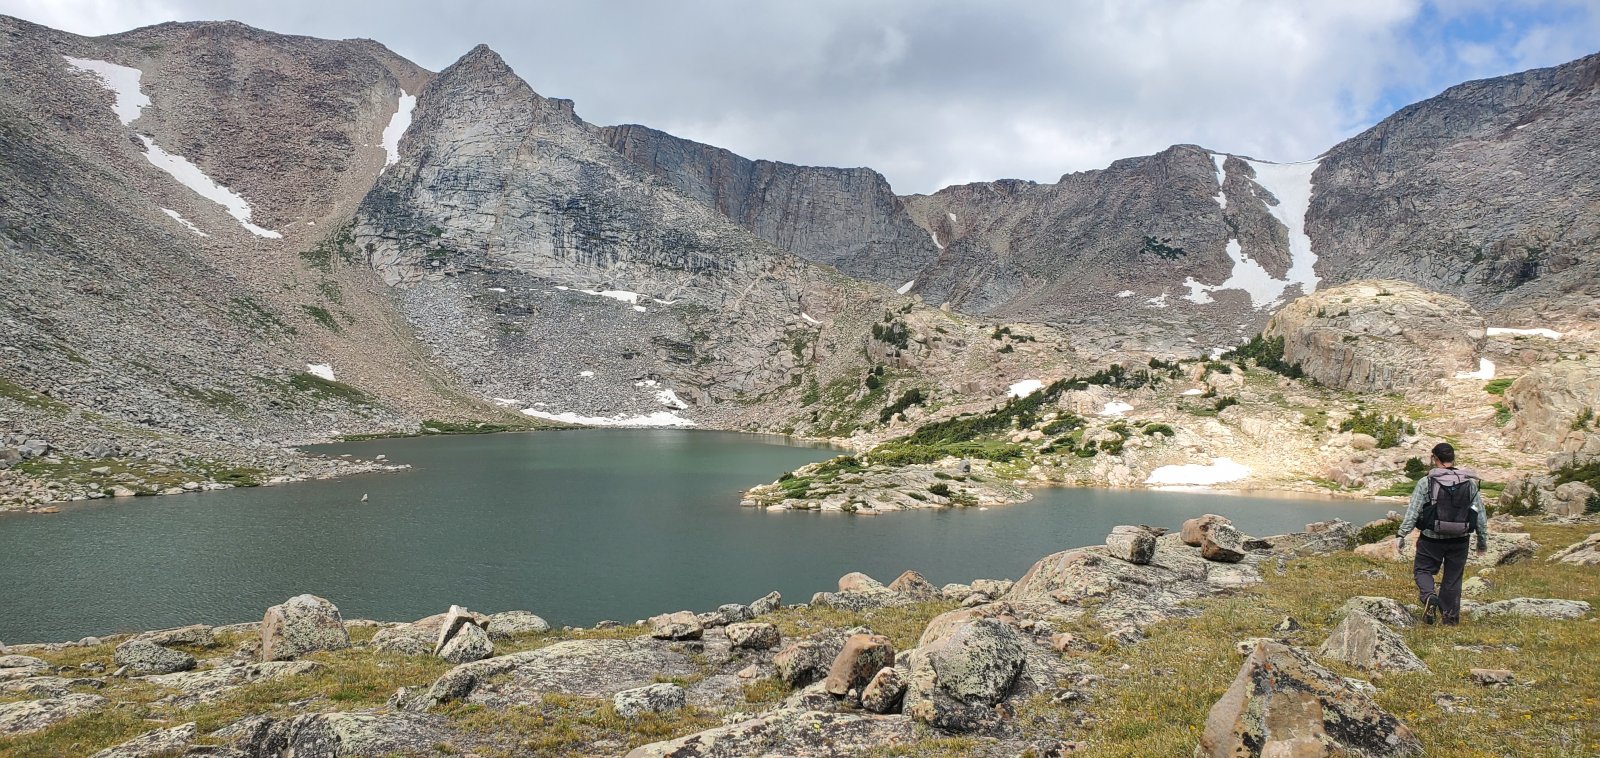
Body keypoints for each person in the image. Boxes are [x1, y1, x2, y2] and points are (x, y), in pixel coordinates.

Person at [1396, 442, 1488, 625]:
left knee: (1423, 570)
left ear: (1434, 459)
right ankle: (1450, 619)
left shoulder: (1427, 482)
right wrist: (1482, 541)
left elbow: (1413, 511)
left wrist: (1401, 534)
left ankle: (1429, 596)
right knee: (1453, 579)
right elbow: (1480, 515)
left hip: (1431, 537)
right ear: (1453, 459)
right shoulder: (1469, 483)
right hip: (1460, 539)